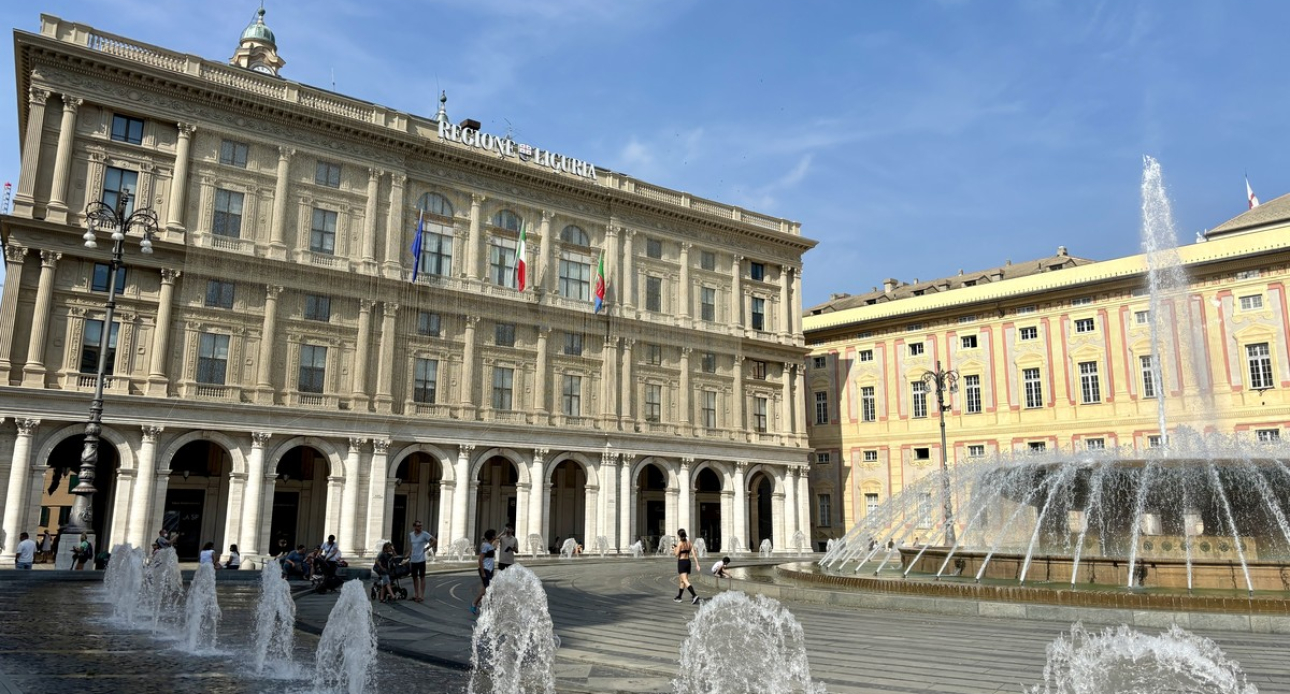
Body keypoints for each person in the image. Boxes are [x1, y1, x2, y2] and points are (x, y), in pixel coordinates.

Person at [471, 529, 497, 615]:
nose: (496, 536)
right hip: (485, 569)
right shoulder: (485, 546)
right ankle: (475, 603)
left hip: (489, 569)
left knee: (487, 588)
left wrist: (503, 533)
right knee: (488, 589)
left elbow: (497, 539)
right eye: (494, 534)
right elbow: (480, 559)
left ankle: (487, 606)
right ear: (492, 536)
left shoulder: (490, 545)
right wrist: (482, 572)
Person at [407, 520, 435, 603]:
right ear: (414, 526)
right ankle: (416, 594)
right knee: (414, 577)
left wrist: (427, 548)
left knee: (422, 577)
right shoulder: (411, 535)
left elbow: (434, 540)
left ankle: (421, 595)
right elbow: (412, 546)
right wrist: (408, 554)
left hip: (421, 559)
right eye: (418, 526)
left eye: (421, 526)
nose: (420, 527)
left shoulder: (424, 534)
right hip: (413, 559)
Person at [673, 528, 699, 605]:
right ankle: (679, 597)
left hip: (682, 562)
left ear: (679, 536)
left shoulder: (680, 543)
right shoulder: (688, 543)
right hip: (688, 562)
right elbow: (694, 554)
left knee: (685, 580)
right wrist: (697, 564)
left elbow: (676, 554)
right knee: (682, 580)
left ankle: (694, 595)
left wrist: (674, 548)